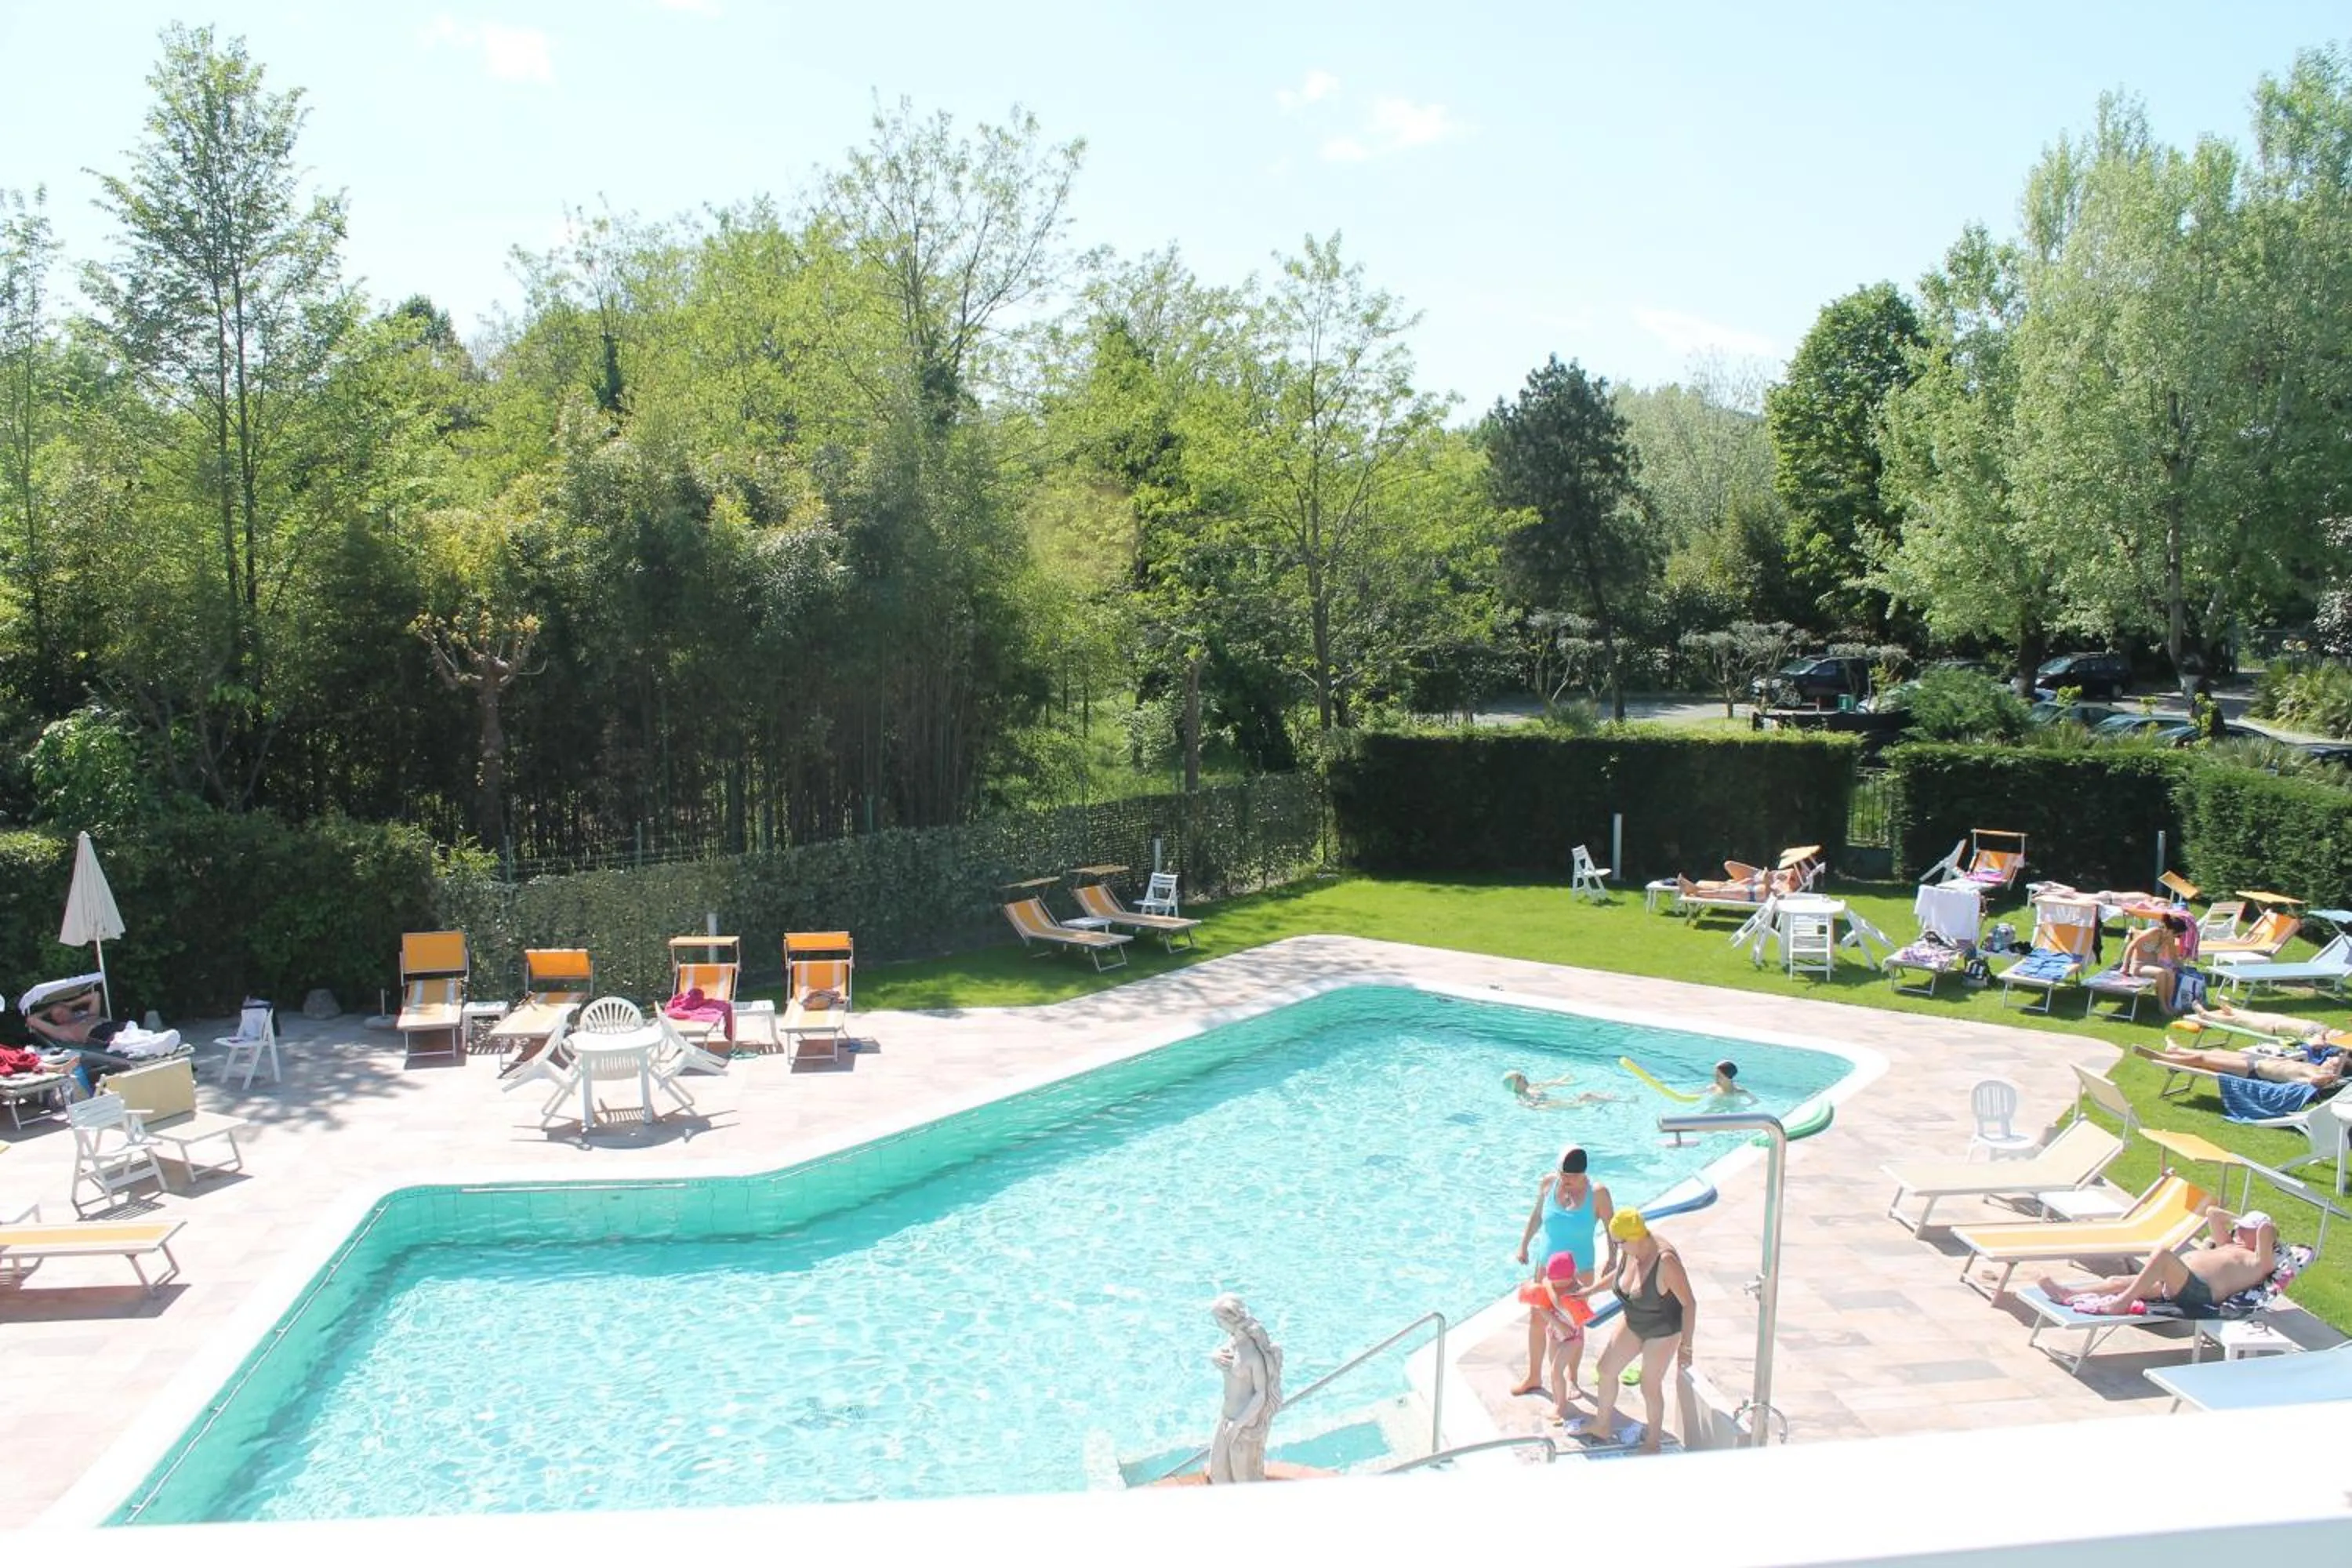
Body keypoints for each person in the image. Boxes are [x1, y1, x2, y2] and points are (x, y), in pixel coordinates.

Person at [1566, 1210, 1696, 1455]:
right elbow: (1621, 1275)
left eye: (1618, 1242)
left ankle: (1653, 1441)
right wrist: (1591, 1291)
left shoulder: (1665, 1261)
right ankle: (1602, 1425)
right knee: (1605, 1370)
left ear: (1635, 1237)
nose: (1616, 1247)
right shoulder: (1631, 1250)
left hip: (1663, 1329)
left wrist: (1686, 1347)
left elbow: (1689, 1303)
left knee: (1649, 1385)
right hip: (1635, 1319)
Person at [2039, 1206, 2277, 1316]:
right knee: (2116, 1279)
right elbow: (2212, 1213)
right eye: (2238, 1227)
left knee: (2163, 1255)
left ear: (2258, 1235)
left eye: (2244, 1229)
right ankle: (2067, 1293)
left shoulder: (2258, 1261)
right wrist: (2241, 1219)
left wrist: (2260, 1227)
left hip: (2200, 1293)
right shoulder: (2229, 1244)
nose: (2237, 1230)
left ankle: (2121, 1303)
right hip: (2177, 1284)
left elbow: (2266, 1230)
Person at [1512, 1145, 1615, 1396]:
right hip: (1546, 1268)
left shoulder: (1598, 1193)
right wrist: (1524, 1244)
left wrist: (1613, 1258)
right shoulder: (1549, 1184)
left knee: (1572, 1325)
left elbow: (1612, 1228)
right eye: (1563, 1175)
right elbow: (1537, 1216)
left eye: (1572, 1177)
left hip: (1579, 1272)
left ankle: (1572, 1379)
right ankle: (1534, 1375)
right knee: (1537, 1319)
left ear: (1584, 1173)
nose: (1566, 1181)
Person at [1207, 1294, 1282, 1483]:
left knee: (1245, 1479)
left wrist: (1238, 1424)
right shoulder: (1232, 1344)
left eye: (1218, 1320)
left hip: (1244, 1423)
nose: (1217, 1325)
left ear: (1228, 1320)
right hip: (1226, 1417)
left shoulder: (1253, 1355)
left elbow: (1261, 1394)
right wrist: (1214, 1356)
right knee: (1218, 1473)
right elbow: (1226, 1359)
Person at [1515, 1250, 1595, 1417]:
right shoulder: (1551, 1285)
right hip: (1555, 1335)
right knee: (1554, 1369)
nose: (1556, 1285)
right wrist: (1544, 1291)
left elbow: (1558, 1304)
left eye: (1559, 1282)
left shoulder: (1578, 1291)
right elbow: (1544, 1308)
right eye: (1554, 1282)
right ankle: (1559, 1399)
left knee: (1556, 1370)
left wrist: (1548, 1285)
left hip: (1572, 1338)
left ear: (1572, 1276)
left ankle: (1560, 1407)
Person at [2137, 1040, 2345, 1087]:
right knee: (2216, 1052)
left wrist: (2330, 1077)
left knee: (2203, 1061)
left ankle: (2163, 1058)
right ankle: (2178, 1050)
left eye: (2331, 1061)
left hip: (2256, 1071)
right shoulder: (2315, 1067)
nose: (2326, 1059)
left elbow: (2318, 1082)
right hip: (2259, 1061)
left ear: (2335, 1070)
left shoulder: (2317, 1075)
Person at [2118, 913, 2188, 1013]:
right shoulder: (2153, 932)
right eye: (2178, 935)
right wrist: (2125, 966)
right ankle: (2162, 1006)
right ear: (2171, 930)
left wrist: (2185, 970)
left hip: (2153, 965)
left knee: (2171, 973)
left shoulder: (2168, 938)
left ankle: (2169, 1004)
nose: (2178, 937)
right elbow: (2131, 946)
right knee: (2161, 973)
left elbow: (2174, 957)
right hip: (2139, 966)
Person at [1502, 1070, 1621, 1109]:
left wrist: (1564, 1079)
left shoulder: (1532, 1087)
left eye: (1521, 1075)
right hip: (1562, 1105)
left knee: (1589, 1095)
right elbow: (1534, 1107)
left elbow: (1551, 1082)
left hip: (1562, 1101)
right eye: (1519, 1078)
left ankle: (1608, 1099)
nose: (1524, 1077)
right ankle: (1622, 1101)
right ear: (1514, 1086)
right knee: (1587, 1096)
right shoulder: (1521, 1098)